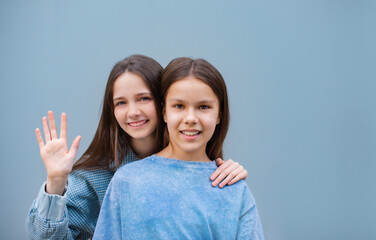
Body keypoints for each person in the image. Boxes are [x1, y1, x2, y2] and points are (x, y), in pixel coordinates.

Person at [26, 55, 248, 239]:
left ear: (165, 105)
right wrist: (55, 182)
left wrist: (225, 172)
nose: (132, 112)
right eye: (121, 102)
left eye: (143, 99)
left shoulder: (192, 159)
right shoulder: (98, 177)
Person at [93, 57, 264, 239]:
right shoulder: (126, 181)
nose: (190, 118)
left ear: (219, 114)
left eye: (203, 106)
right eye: (179, 106)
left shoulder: (234, 189)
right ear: (164, 112)